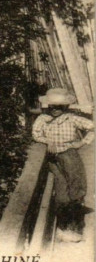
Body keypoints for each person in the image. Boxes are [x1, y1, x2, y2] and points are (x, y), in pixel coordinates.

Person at [32, 88, 94, 242]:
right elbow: (36, 134)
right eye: (52, 106)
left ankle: (76, 225)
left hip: (69, 154)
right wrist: (48, 141)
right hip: (53, 158)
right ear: (48, 106)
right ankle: (63, 226)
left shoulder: (71, 118)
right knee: (61, 190)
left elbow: (92, 127)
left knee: (76, 184)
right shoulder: (42, 119)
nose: (55, 110)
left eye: (59, 107)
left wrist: (82, 142)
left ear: (65, 106)